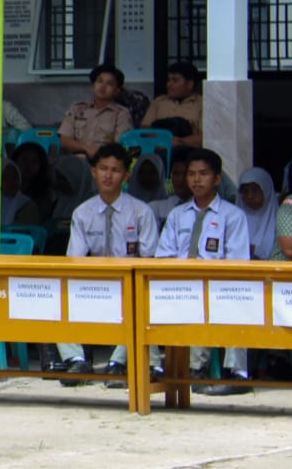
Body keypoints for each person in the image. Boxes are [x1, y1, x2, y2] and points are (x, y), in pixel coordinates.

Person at [52, 144, 161, 386]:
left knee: (141, 303)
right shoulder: (83, 213)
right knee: (58, 299)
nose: (108, 175)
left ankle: (117, 364)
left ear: (126, 176)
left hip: (131, 283)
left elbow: (149, 260)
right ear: (93, 172)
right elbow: (75, 260)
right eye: (103, 169)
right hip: (95, 283)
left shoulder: (141, 212)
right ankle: (76, 360)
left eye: (115, 170)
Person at [156, 148, 252, 395]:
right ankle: (182, 370)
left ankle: (237, 374)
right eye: (191, 174)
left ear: (217, 179)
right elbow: (164, 255)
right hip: (181, 285)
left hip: (220, 285)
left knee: (235, 301)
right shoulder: (177, 215)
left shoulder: (233, 216)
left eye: (203, 174)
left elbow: (238, 262)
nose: (196, 180)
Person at [58, 63, 133, 158]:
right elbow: (65, 140)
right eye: (100, 81)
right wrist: (86, 148)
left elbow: (120, 147)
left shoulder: (121, 114)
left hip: (104, 163)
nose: (103, 86)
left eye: (109, 84)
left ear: (116, 91)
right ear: (93, 85)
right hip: (75, 162)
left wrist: (98, 154)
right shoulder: (77, 108)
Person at [139, 60, 204, 147]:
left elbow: (205, 136)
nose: (169, 84)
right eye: (168, 80)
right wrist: (164, 139)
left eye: (175, 80)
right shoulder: (159, 101)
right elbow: (144, 129)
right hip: (158, 150)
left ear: (189, 84)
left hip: (188, 153)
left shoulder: (201, 104)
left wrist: (181, 142)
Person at [237, 167, 277, 260]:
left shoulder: (282, 221)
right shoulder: (232, 219)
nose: (250, 196)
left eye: (255, 190)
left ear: (266, 190)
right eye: (245, 191)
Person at [148, 147, 194, 225]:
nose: (180, 179)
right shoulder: (156, 208)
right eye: (176, 173)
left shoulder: (203, 209)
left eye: (186, 174)